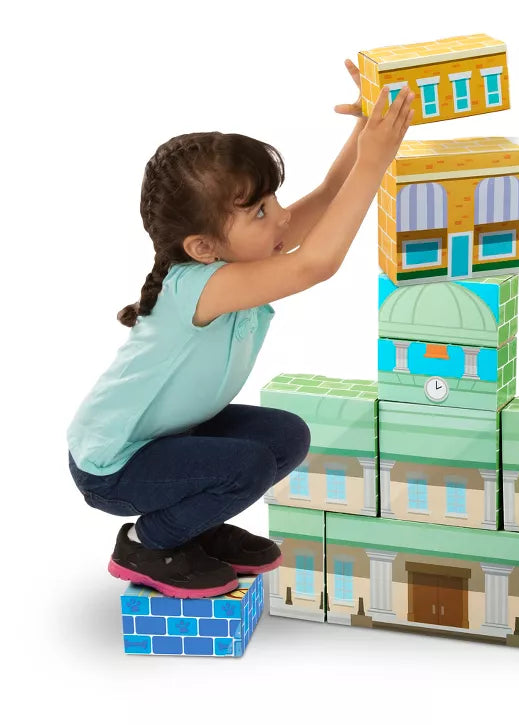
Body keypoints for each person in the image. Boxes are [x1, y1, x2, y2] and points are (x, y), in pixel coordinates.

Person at [66, 60, 415, 599]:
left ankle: (193, 527)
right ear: (203, 247)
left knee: (286, 437)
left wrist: (365, 129)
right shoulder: (199, 286)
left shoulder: (239, 255)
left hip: (170, 439)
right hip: (115, 464)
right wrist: (376, 162)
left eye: (273, 201)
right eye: (259, 212)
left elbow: (328, 195)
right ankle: (147, 541)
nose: (281, 218)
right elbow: (314, 264)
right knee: (248, 465)